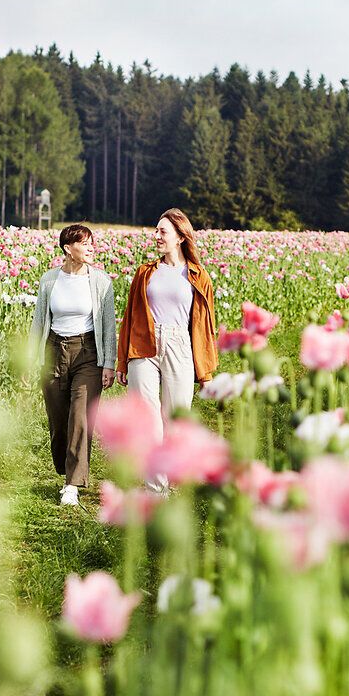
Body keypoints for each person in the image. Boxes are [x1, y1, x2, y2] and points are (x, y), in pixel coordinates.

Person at [118, 208, 219, 488]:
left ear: (180, 238)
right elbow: (130, 318)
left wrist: (206, 372)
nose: (156, 236)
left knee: (176, 418)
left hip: (179, 344)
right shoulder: (144, 273)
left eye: (163, 231)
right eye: (156, 230)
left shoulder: (199, 276)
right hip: (144, 345)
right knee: (148, 420)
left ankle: (177, 479)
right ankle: (156, 491)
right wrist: (122, 362)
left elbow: (204, 326)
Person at [31, 223, 117, 506]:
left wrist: (109, 364)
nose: (91, 247)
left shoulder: (102, 282)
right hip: (54, 350)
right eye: (85, 243)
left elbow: (108, 327)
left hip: (88, 352)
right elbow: (39, 322)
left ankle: (73, 484)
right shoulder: (49, 281)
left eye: (92, 242)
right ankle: (66, 466)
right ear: (68, 248)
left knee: (80, 417)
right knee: (58, 420)